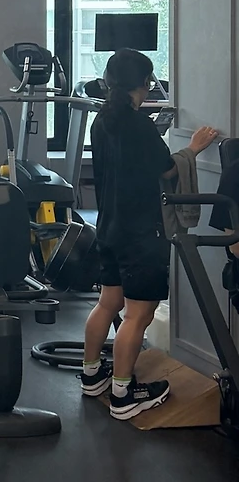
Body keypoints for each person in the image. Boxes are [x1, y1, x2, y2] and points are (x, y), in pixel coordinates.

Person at [82, 48, 218, 418]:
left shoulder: (102, 120)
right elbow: (167, 170)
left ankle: (92, 375)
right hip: (141, 232)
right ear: (144, 82)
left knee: (107, 304)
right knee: (138, 315)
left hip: (108, 226)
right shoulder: (139, 125)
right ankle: (123, 394)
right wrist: (193, 149)